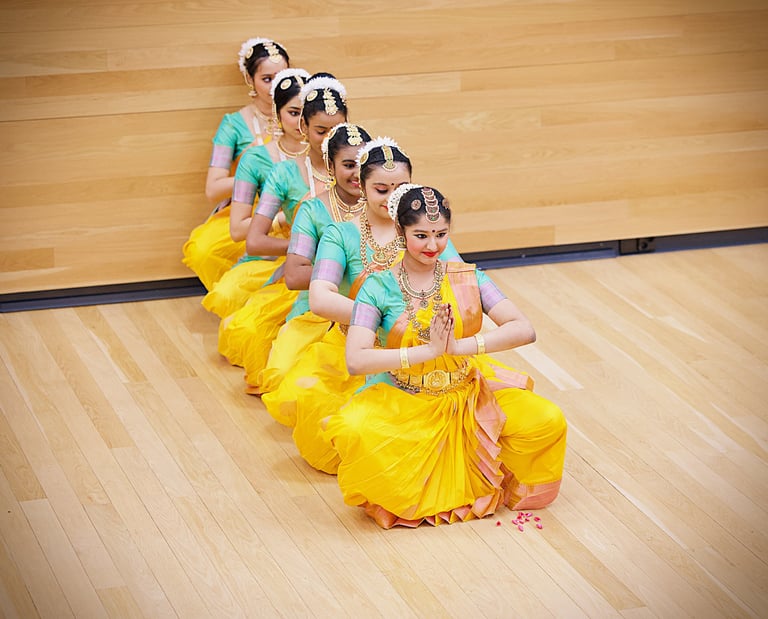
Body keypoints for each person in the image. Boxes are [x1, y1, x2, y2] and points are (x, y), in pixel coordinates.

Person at [324, 184, 567, 528]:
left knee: (546, 419)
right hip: (407, 398)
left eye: (440, 234)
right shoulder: (377, 288)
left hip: (469, 395)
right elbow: (356, 360)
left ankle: (493, 479)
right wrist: (426, 352)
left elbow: (523, 329)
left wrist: (459, 348)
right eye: (421, 235)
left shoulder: (467, 278)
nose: (432, 245)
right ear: (400, 232)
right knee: (355, 430)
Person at [264, 138, 462, 473]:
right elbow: (320, 296)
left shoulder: (425, 233)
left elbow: (459, 284)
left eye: (401, 188)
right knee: (333, 438)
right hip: (356, 345)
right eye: (382, 189)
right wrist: (381, 320)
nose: (393, 198)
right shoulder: (341, 234)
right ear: (363, 186)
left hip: (420, 348)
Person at [217, 75, 348, 370]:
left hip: (355, 274)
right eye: (321, 131)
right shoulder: (284, 173)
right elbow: (253, 240)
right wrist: (305, 251)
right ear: (304, 127)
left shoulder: (360, 170)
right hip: (305, 272)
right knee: (262, 343)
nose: (329, 139)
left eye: (337, 130)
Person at [254, 122, 373, 399]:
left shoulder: (384, 204)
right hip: (318, 310)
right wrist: (347, 275)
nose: (357, 173)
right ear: (330, 167)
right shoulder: (312, 209)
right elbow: (295, 274)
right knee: (284, 381)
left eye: (363, 164)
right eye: (348, 165)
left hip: (375, 308)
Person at [201, 67, 311, 319]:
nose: (301, 122)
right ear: (277, 112)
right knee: (226, 297)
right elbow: (238, 230)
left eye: (307, 114)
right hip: (271, 248)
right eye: (293, 113)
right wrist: (286, 219)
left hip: (321, 254)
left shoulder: (331, 154)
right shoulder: (255, 158)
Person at [182, 38, 289, 290]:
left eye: (282, 77)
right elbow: (213, 189)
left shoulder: (301, 117)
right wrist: (253, 173)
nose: (275, 87)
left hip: (291, 207)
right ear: (250, 80)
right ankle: (234, 299)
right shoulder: (233, 125)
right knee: (203, 251)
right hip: (246, 209)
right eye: (267, 79)